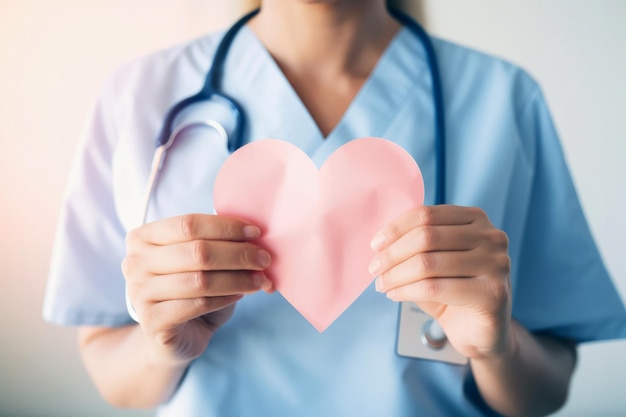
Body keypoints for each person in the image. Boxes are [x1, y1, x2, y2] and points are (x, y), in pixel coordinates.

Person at [43, 1, 626, 416]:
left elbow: (546, 390)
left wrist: (496, 346)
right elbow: (110, 370)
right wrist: (159, 347)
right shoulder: (138, 95)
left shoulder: (503, 97)